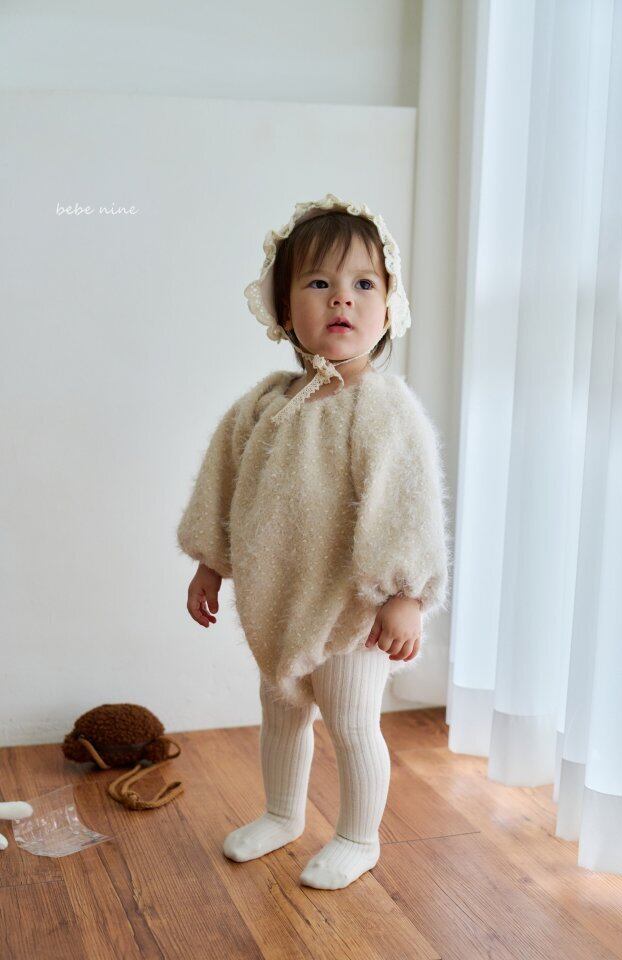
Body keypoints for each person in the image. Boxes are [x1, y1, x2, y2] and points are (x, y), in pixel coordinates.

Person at [176, 193, 450, 889]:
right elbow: (223, 484)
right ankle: (281, 813)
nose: (342, 299)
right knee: (281, 712)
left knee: (353, 722)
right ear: (283, 306)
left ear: (389, 305)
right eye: (319, 282)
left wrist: (405, 594)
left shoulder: (382, 408)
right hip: (281, 603)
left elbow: (407, 505)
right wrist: (211, 562)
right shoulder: (267, 403)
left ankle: (359, 837)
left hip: (353, 610)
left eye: (364, 283)